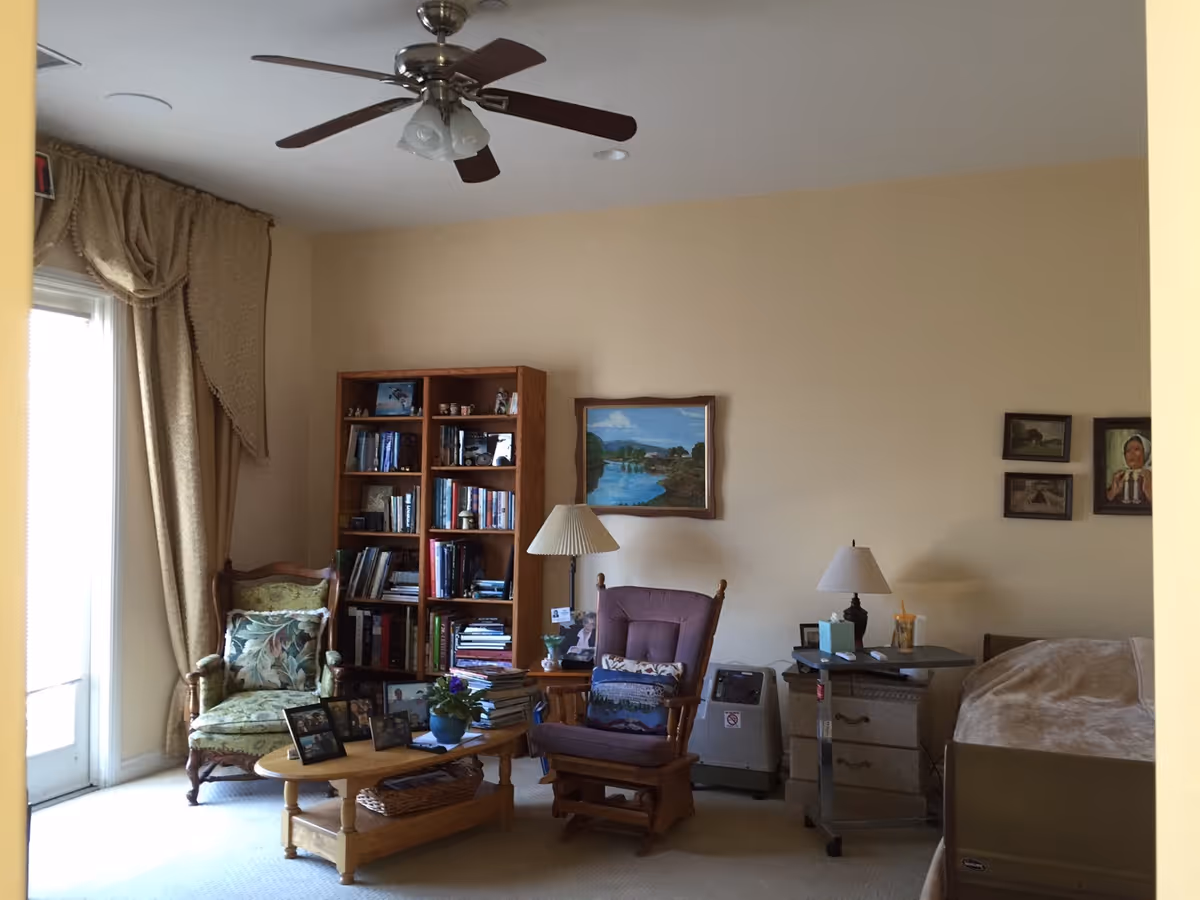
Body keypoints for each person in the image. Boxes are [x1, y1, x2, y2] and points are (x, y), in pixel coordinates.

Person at [1106, 433, 1152, 504]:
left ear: (1146, 452)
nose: (1131, 454)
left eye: (1136, 449)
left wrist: (1148, 489)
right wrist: (1113, 492)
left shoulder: (1153, 475)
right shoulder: (1120, 477)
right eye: (1128, 451)